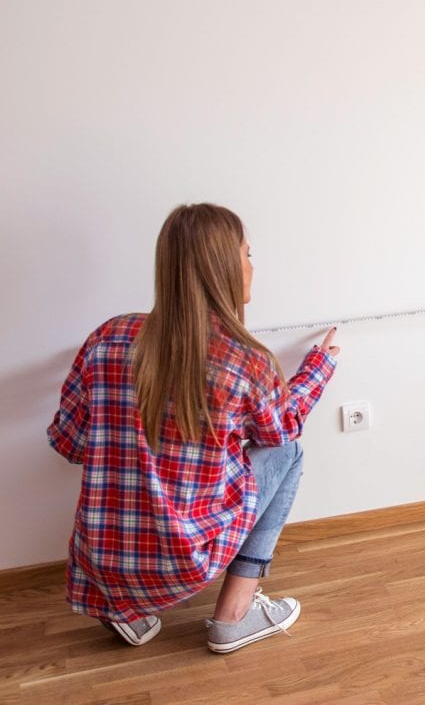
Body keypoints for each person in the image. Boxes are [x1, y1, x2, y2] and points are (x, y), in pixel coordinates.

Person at [47, 203, 339, 652]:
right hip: (185, 562)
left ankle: (129, 612)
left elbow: (69, 444)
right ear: (224, 265)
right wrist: (319, 366)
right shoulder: (244, 361)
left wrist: (127, 433)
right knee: (288, 452)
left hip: (100, 564)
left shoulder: (108, 337)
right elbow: (282, 430)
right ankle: (233, 617)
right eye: (248, 252)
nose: (252, 265)